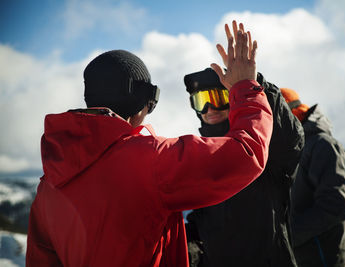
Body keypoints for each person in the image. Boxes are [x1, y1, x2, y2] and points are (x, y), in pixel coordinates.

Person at [26, 22, 273, 267]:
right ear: (142, 101)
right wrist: (245, 88)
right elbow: (246, 153)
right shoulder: (151, 160)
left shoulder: (49, 184)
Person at [183, 22, 304, 267]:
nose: (209, 108)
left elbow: (291, 141)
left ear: (233, 97)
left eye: (219, 97)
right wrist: (192, 250)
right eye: (201, 100)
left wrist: (253, 84)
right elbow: (202, 219)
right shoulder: (201, 155)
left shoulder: (263, 148)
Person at [281, 88, 345, 267]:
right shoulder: (289, 151)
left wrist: (285, 236)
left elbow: (335, 205)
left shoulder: (322, 145)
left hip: (325, 259)